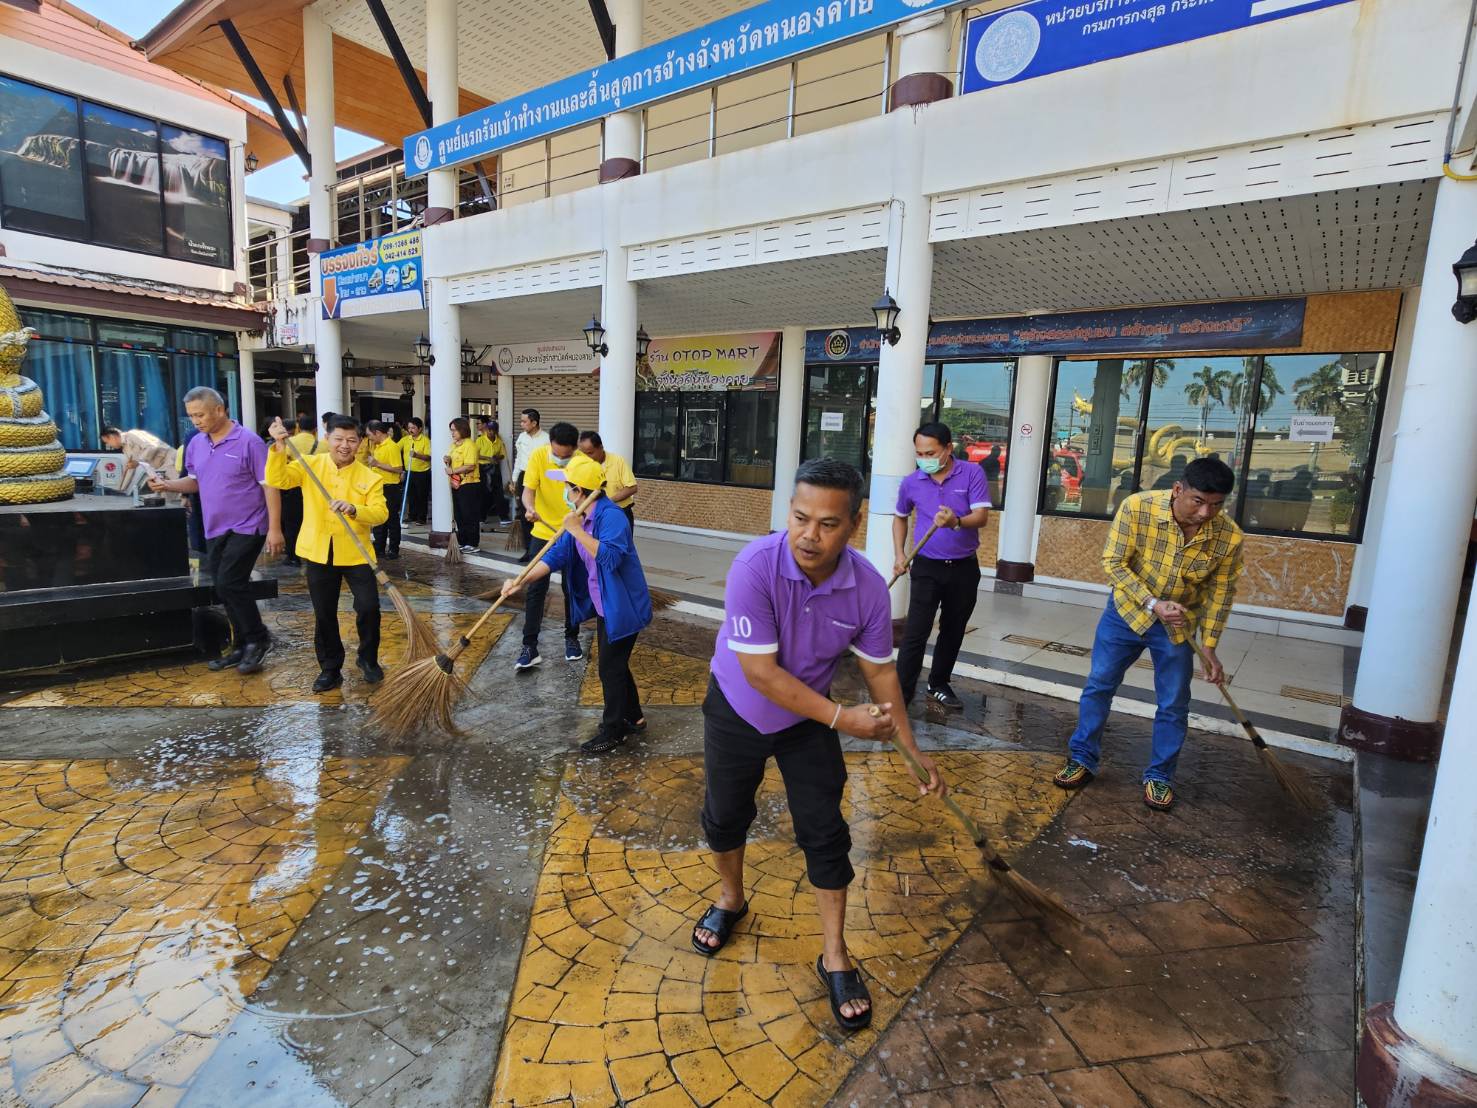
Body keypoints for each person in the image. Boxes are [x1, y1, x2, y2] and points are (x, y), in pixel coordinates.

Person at [692, 458, 944, 1032]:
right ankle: (732, 898)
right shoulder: (753, 567)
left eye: (827, 524)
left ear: (852, 526)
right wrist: (842, 719)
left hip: (808, 720)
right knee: (725, 817)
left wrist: (911, 748)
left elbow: (882, 677)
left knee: (825, 832)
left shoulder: (868, 589)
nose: (809, 535)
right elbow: (759, 672)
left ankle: (834, 954)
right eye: (800, 518)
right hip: (740, 708)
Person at [1054, 457, 1244, 811]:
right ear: (1178, 490)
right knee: (1099, 685)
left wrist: (1210, 647)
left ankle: (1160, 775)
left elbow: (1222, 592)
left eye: (1216, 505)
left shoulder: (1228, 537)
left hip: (1177, 627)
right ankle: (1082, 758)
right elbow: (1113, 563)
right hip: (1127, 613)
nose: (1206, 513)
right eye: (1198, 501)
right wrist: (1153, 602)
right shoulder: (1137, 508)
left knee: (1173, 703)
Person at [499, 453, 652, 753]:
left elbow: (610, 558)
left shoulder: (612, 517)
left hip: (624, 607)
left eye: (568, 488)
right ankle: (633, 717)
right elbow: (556, 556)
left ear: (582, 491)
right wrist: (521, 580)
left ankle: (614, 730)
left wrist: (577, 531)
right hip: (605, 603)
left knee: (609, 668)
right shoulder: (580, 518)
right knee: (616, 664)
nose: (565, 494)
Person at [146, 388, 281, 674]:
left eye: (200, 414)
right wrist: (167, 485)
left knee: (231, 582)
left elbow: (270, 485)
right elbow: (195, 481)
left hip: (249, 524)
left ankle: (258, 639)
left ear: (219, 410)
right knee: (223, 586)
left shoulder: (249, 442)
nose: (196, 421)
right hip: (214, 526)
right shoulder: (196, 443)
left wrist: (275, 529)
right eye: (192, 416)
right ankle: (240, 644)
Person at [264, 415, 388, 692]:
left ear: (360, 442)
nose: (345, 445)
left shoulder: (370, 477)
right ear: (327, 439)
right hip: (318, 552)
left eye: (352, 440)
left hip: (357, 553)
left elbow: (380, 513)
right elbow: (278, 479)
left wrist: (355, 509)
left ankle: (368, 659)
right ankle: (330, 668)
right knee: (324, 612)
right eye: (339, 439)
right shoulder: (310, 465)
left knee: (369, 607)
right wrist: (278, 446)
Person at [892, 422, 991, 710]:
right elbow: (900, 517)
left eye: (930, 452)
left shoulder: (972, 473)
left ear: (948, 448)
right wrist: (899, 554)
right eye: (919, 453)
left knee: (953, 628)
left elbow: (981, 516)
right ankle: (901, 694)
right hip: (926, 567)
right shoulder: (911, 482)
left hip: (963, 568)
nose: (925, 458)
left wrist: (956, 522)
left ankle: (939, 684)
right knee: (916, 632)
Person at [517, 421, 582, 669]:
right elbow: (528, 490)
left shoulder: (582, 463)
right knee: (535, 589)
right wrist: (530, 508)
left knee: (571, 587)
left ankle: (572, 638)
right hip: (543, 532)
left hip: (572, 532)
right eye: (556, 453)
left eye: (566, 455)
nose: (560, 459)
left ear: (574, 449)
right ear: (550, 444)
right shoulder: (538, 456)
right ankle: (529, 645)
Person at [577, 430, 638, 531]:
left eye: (590, 453)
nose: (587, 457)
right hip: (593, 515)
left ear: (601, 448)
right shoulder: (582, 464)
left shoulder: (618, 461)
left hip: (620, 512)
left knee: (621, 545)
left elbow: (632, 488)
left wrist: (607, 502)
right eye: (584, 454)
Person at [279, 418, 319, 566]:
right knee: (311, 521)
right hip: (314, 488)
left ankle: (293, 555)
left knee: (291, 524)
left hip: (293, 487)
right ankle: (312, 553)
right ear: (315, 429)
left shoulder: (291, 443)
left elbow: (281, 463)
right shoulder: (320, 444)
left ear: (298, 427)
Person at [511, 409, 550, 557]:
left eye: (524, 421)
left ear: (534, 423)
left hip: (541, 477)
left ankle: (544, 548)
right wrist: (514, 480)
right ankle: (529, 549)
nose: (521, 424)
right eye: (521, 421)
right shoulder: (522, 437)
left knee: (540, 511)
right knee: (525, 512)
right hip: (524, 475)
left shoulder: (546, 439)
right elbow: (518, 459)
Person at [365, 420, 404, 560]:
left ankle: (394, 549)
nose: (369, 438)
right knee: (378, 518)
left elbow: (398, 469)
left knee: (392, 520)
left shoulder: (391, 447)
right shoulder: (377, 446)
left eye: (370, 435)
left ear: (378, 433)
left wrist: (377, 464)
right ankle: (379, 547)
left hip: (390, 487)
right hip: (378, 487)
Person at [100, 426, 178, 493]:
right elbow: (131, 468)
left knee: (181, 490)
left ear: (112, 436)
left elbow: (152, 446)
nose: (108, 445)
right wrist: (121, 488)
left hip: (170, 460)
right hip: (160, 469)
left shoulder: (132, 435)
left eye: (107, 442)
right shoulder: (125, 449)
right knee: (167, 496)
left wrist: (138, 462)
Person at [445, 417, 481, 553]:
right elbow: (451, 458)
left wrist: (453, 470)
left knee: (469, 514)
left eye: (454, 430)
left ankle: (472, 542)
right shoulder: (454, 445)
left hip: (469, 484)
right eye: (451, 431)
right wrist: (447, 459)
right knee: (459, 514)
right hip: (456, 483)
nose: (452, 433)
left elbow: (470, 465)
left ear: (462, 430)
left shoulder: (470, 445)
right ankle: (463, 540)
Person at [476, 418, 510, 525]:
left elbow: (502, 455)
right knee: (484, 493)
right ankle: (481, 518)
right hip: (483, 469)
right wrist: (488, 458)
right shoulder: (479, 440)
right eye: (489, 430)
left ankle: (503, 517)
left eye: (493, 430)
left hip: (495, 469)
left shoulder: (499, 442)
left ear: (496, 431)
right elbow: (475, 455)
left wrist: (497, 457)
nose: (491, 432)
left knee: (498, 493)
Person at [402, 417, 432, 524]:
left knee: (421, 496)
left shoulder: (425, 441)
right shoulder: (406, 439)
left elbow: (429, 457)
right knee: (411, 495)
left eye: (413, 428)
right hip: (409, 471)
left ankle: (422, 518)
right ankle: (412, 516)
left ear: (420, 429)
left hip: (422, 472)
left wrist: (416, 455)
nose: (410, 430)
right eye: (409, 427)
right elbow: (396, 448)